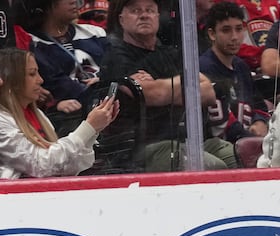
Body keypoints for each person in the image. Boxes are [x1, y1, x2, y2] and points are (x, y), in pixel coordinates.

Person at [101, 0, 238, 172]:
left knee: (239, 157)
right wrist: (183, 85)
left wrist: (162, 87)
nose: (144, 15)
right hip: (143, 148)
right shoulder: (116, 55)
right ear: (121, 19)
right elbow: (149, 94)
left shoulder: (171, 53)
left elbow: (208, 93)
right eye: (135, 10)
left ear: (158, 17)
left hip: (189, 141)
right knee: (215, 167)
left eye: (150, 10)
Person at [0, 48, 119, 178]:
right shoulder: (2, 121)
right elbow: (41, 165)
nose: (40, 80)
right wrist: (89, 127)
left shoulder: (37, 114)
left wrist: (94, 130)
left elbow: (67, 167)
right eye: (32, 74)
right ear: (12, 79)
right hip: (16, 196)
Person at [14, 0, 108, 134]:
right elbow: (62, 87)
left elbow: (117, 68)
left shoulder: (96, 33)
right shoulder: (31, 44)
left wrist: (106, 79)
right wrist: (108, 84)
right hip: (71, 122)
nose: (74, 1)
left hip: (109, 112)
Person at [200, 1, 269, 144]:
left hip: (246, 144)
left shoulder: (241, 66)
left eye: (239, 29)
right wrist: (255, 143)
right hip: (218, 147)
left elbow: (259, 105)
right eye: (226, 30)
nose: (234, 37)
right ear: (212, 34)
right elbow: (223, 125)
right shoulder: (205, 67)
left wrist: (260, 122)